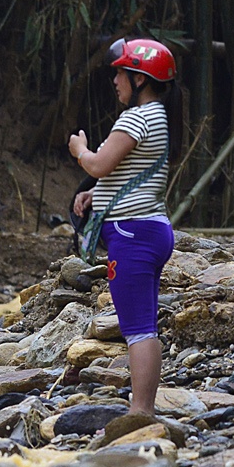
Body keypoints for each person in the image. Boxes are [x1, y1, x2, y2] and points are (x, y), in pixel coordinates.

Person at [67, 37, 176, 419]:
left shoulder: (135, 118)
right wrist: (95, 193)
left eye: (120, 73)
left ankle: (140, 411)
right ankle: (143, 408)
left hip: (133, 234)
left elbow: (99, 164)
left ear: (139, 78)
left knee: (138, 328)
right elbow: (131, 172)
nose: (115, 80)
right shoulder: (157, 116)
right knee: (144, 324)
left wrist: (79, 150)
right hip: (152, 229)